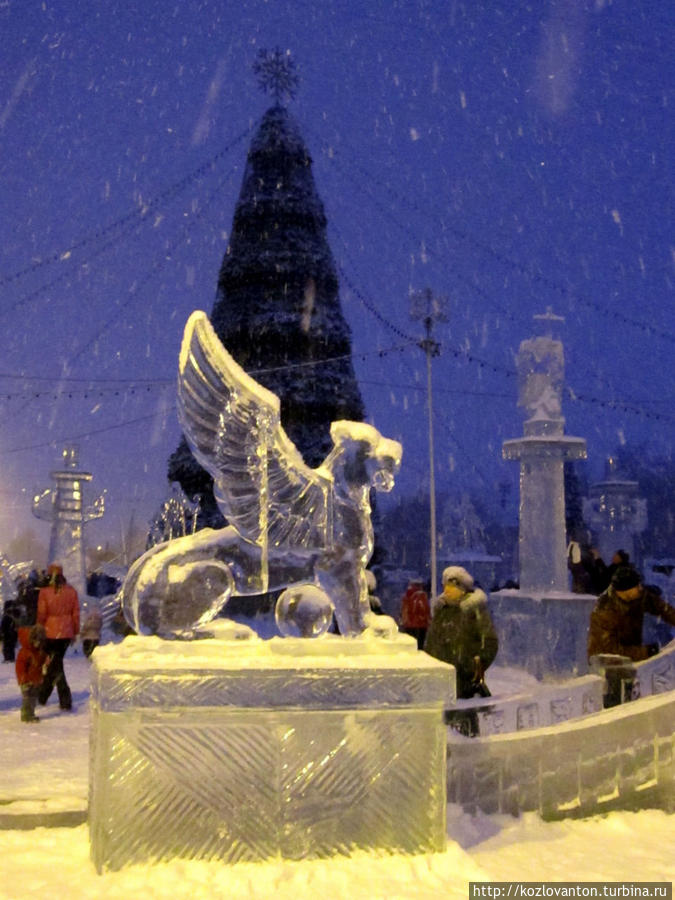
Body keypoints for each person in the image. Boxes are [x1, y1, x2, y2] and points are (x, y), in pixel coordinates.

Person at [424, 566, 499, 699]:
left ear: (463, 589)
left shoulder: (474, 610)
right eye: (445, 585)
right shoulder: (442, 611)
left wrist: (473, 669)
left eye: (452, 586)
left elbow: (490, 643)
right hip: (441, 683)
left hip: (466, 685)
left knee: (465, 717)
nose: (446, 590)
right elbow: (431, 642)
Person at [587, 565, 675, 662]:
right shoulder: (604, 611)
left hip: (632, 659)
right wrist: (646, 652)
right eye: (637, 586)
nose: (640, 588)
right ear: (624, 590)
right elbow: (609, 652)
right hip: (605, 665)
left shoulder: (638, 596)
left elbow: (663, 608)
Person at [37, 564, 80, 711]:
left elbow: (42, 613)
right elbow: (76, 613)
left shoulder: (45, 592)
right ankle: (44, 695)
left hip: (50, 631)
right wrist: (75, 631)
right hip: (66, 632)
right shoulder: (71, 591)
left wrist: (39, 628)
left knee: (55, 665)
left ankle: (59, 697)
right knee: (56, 663)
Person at [15, 624, 49, 723]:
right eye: (37, 641)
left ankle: (31, 713)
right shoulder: (25, 652)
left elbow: (42, 661)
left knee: (33, 698)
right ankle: (26, 715)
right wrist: (23, 679)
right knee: (27, 698)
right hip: (26, 680)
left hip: (36, 679)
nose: (38, 644)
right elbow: (20, 668)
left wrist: (46, 663)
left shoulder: (40, 651)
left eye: (40, 642)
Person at [399, 578, 430, 649]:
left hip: (408, 625)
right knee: (419, 647)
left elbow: (403, 611)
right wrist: (427, 620)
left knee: (410, 647)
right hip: (420, 625)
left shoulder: (407, 596)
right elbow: (424, 610)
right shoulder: (421, 596)